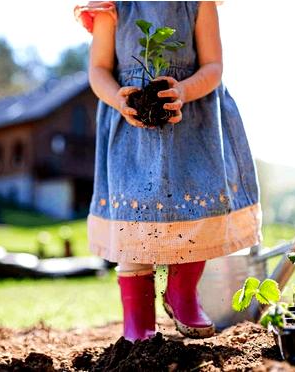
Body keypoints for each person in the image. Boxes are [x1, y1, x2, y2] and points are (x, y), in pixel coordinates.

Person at [75, 1, 262, 341]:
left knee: (196, 207)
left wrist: (184, 90)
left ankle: (182, 292)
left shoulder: (198, 3)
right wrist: (118, 98)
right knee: (133, 221)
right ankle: (138, 318)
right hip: (131, 129)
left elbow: (213, 66)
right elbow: (98, 70)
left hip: (193, 124)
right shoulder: (112, 6)